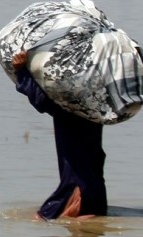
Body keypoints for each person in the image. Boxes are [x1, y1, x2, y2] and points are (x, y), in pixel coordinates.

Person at [13, 50, 106, 220]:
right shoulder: (95, 100)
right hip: (93, 180)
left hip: (77, 180)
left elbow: (41, 101)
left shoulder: (70, 102)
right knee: (90, 222)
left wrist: (22, 71)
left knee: (43, 219)